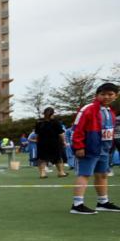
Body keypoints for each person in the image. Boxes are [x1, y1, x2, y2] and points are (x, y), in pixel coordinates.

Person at [70, 82, 119, 214]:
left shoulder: (110, 112)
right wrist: (79, 146)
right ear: (97, 95)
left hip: (104, 150)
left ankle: (103, 202)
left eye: (110, 94)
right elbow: (77, 129)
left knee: (102, 175)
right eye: (103, 94)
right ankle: (77, 204)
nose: (106, 97)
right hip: (89, 149)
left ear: (116, 96)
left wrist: (110, 147)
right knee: (84, 174)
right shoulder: (88, 109)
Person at [33, 107, 68, 179]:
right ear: (52, 114)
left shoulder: (39, 122)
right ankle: (61, 172)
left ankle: (43, 173)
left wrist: (37, 141)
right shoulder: (56, 122)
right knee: (57, 157)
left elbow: (37, 133)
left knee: (42, 158)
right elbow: (61, 133)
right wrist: (64, 141)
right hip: (54, 142)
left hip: (42, 143)